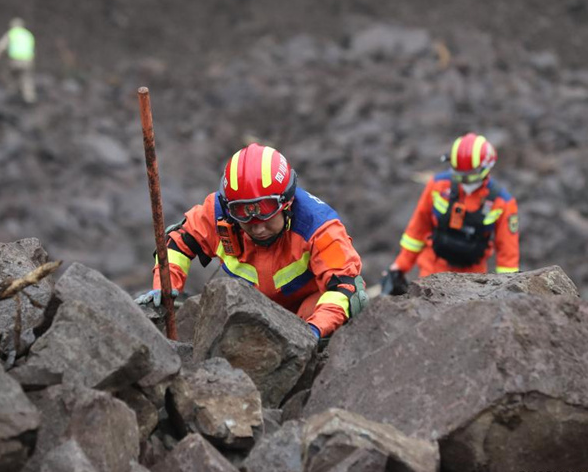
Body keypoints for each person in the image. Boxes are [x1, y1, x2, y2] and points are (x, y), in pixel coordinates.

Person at [135, 142, 368, 341]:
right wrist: (164, 287)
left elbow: (344, 288)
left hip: (306, 311)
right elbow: (178, 243)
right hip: (252, 310)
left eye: (265, 214)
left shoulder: (319, 227)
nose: (257, 227)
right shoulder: (217, 213)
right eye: (243, 214)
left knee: (351, 299)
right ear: (229, 207)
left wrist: (313, 332)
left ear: (286, 204)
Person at [382, 133, 519, 295]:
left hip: (472, 281)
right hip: (432, 271)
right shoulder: (438, 186)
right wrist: (400, 266)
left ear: (485, 169)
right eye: (458, 173)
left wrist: (506, 291)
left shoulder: (502, 202)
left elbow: (507, 255)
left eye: (468, 176)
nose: (462, 180)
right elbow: (418, 228)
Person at [0, 17, 37, 104]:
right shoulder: (28, 34)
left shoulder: (12, 34)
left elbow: (1, 45)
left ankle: (12, 92)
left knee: (8, 74)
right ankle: (29, 98)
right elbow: (32, 48)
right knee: (26, 77)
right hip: (28, 60)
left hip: (15, 60)